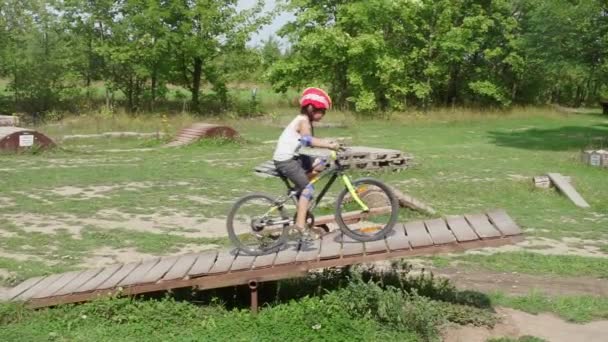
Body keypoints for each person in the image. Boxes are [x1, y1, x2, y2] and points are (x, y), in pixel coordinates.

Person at [273, 87, 340, 239]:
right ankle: (300, 227)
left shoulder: (304, 120)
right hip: (286, 161)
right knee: (308, 190)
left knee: (322, 163)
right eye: (321, 111)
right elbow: (307, 140)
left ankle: (300, 188)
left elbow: (309, 143)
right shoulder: (303, 121)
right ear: (311, 108)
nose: (323, 115)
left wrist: (326, 142)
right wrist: (328, 144)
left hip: (294, 157)